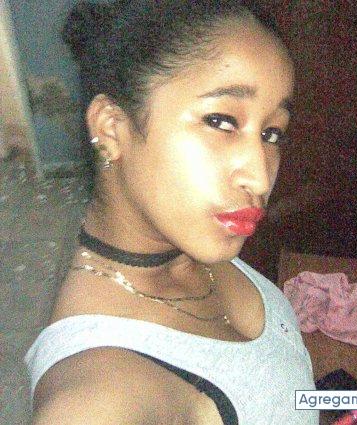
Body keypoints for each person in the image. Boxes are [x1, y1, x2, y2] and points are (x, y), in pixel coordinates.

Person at [25, 1, 318, 423]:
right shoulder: (95, 401)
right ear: (111, 128)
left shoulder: (188, 242)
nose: (259, 178)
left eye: (272, 133)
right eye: (221, 121)